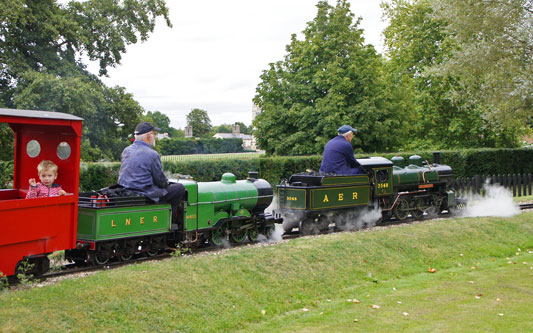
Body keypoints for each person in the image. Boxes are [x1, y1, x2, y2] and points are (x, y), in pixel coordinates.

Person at [118, 122, 186, 225]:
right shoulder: (152, 154)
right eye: (154, 134)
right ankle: (168, 221)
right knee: (179, 188)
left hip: (125, 191)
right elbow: (160, 181)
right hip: (144, 193)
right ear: (149, 136)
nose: (155, 137)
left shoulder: (126, 150)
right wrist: (167, 183)